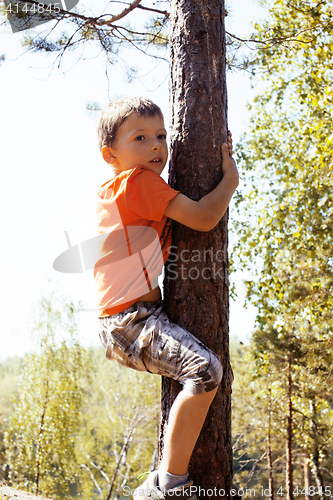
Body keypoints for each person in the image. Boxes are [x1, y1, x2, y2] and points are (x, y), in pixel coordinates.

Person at [94, 97, 239, 500]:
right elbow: (205, 217)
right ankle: (167, 485)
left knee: (198, 371)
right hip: (130, 320)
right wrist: (230, 179)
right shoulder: (138, 182)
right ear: (111, 154)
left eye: (161, 136)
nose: (156, 146)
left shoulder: (117, 190)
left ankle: (158, 481)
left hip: (131, 317)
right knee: (204, 371)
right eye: (140, 138)